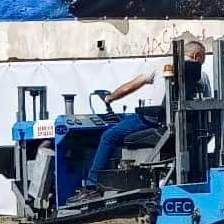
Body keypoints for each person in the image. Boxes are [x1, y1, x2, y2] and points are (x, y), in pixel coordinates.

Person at [81, 40, 211, 190]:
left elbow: (130, 87)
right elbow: (206, 105)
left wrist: (110, 98)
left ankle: (91, 184)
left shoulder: (161, 64)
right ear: (196, 56)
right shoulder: (203, 76)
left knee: (108, 136)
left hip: (155, 121)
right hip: (186, 127)